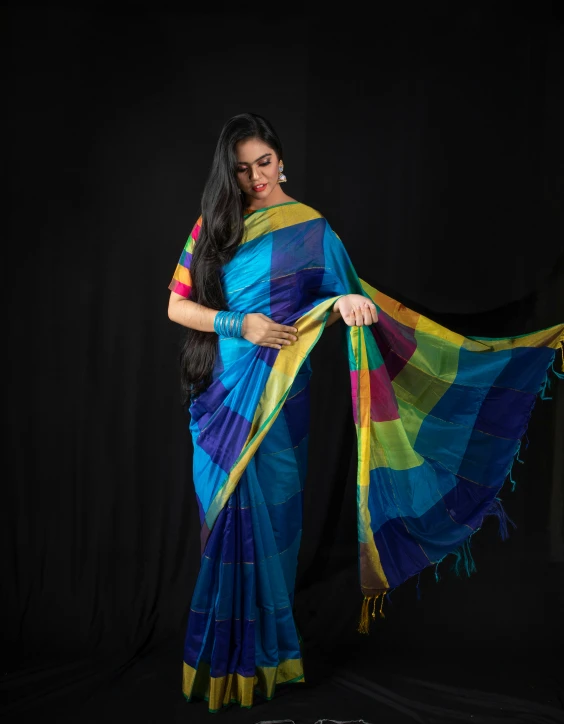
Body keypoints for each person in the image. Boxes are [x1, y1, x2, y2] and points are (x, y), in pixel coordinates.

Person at [167, 112, 564, 714]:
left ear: (281, 159)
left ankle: (267, 661)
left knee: (270, 530)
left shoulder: (312, 231)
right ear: (231, 171)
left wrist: (342, 299)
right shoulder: (212, 226)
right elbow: (176, 306)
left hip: (278, 401)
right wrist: (238, 322)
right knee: (223, 526)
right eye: (243, 169)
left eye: (265, 163)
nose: (257, 179)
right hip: (220, 396)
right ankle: (220, 664)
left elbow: (349, 294)